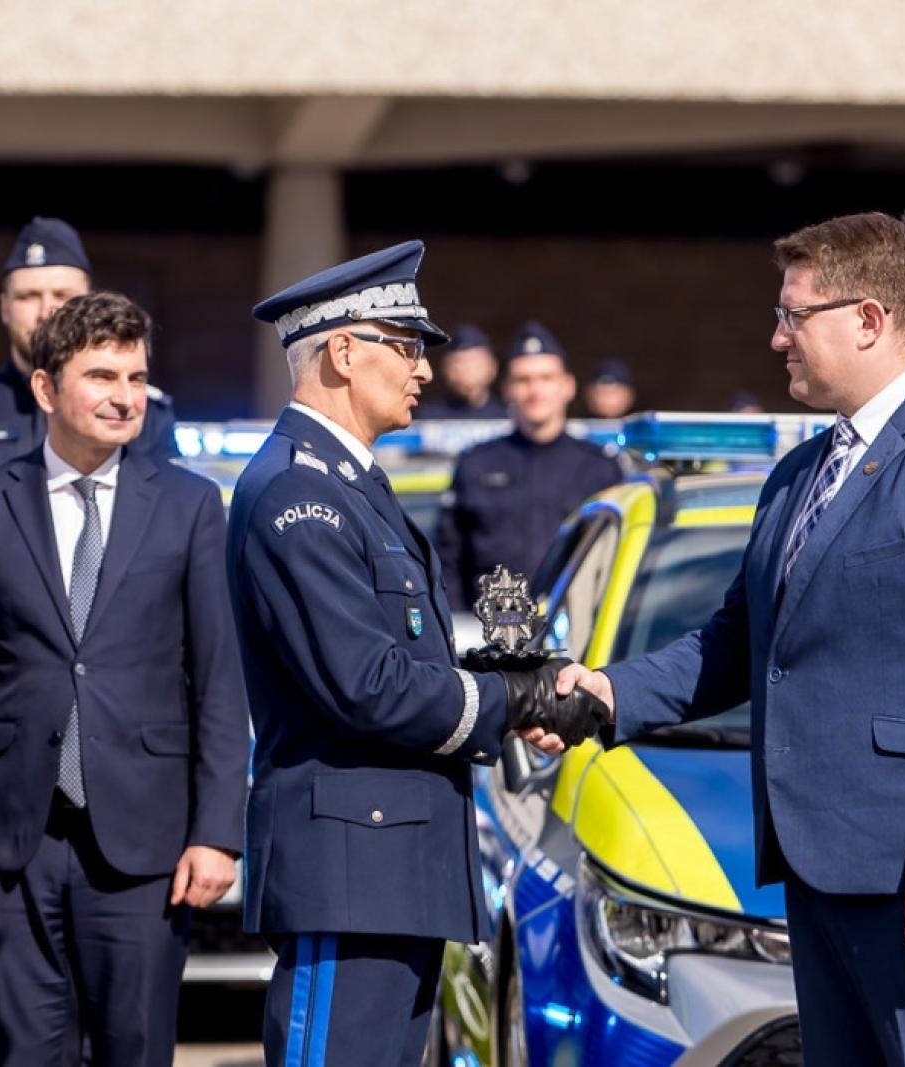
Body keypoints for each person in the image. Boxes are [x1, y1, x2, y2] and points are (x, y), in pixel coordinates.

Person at [553, 213, 905, 1064]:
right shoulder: (800, 472)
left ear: (869, 319)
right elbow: (741, 643)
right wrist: (609, 693)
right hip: (824, 872)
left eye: (795, 315)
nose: (775, 336)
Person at [230, 241, 599, 1065]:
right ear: (341, 350)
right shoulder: (300, 492)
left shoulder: (351, 483)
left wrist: (515, 680)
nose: (424, 369)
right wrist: (522, 702)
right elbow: (370, 685)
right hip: (350, 873)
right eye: (406, 345)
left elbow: (415, 663)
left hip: (390, 866)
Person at [0, 291, 249, 1066]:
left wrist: (217, 832)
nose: (125, 396)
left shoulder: (191, 505)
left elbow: (218, 680)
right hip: (13, 843)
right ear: (46, 389)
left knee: (134, 1050)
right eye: (103, 375)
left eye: (137, 379)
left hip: (147, 844)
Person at [0, 216, 178, 675]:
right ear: (3, 307)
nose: (46, 309)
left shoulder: (145, 414)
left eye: (62, 295)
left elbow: (169, 557)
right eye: (28, 296)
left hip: (116, 680)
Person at [437, 320, 622, 610]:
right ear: (507, 389)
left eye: (546, 378)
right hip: (491, 635)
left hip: (580, 634)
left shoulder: (600, 468)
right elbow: (449, 562)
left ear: (568, 386)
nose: (535, 390)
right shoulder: (475, 464)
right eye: (523, 380)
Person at [414, 323, 507, 419]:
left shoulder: (510, 416)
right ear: (446, 369)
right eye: (457, 362)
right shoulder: (428, 417)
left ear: (492, 367)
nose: (466, 369)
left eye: (473, 361)